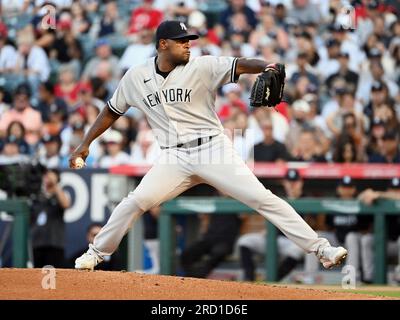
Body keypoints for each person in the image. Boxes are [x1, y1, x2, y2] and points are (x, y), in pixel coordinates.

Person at [69, 20, 347, 271]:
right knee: (136, 201)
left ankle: (322, 249)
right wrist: (85, 143)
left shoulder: (201, 66)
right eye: (181, 41)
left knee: (262, 198)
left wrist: (268, 67)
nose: (188, 44)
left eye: (189, 39)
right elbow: (111, 111)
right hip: (173, 157)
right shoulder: (135, 77)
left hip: (213, 149)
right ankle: (96, 253)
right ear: (163, 44)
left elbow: (241, 63)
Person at [30, 168, 70, 268]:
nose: (48, 179)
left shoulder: (60, 195)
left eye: (51, 176)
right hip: (37, 243)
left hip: (54, 244)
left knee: (53, 275)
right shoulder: (36, 197)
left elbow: (66, 204)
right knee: (37, 275)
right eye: (46, 176)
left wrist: (55, 185)